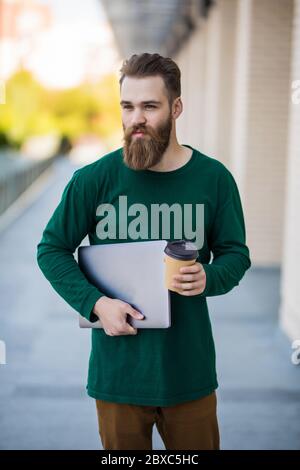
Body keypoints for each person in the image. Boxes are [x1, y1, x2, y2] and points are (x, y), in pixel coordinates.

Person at [36, 52, 251, 450]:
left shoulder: (213, 179)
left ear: (177, 107)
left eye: (150, 106)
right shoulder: (93, 180)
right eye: (128, 106)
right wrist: (96, 304)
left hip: (189, 372)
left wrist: (210, 277)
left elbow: (236, 255)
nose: (137, 118)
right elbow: (52, 249)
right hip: (118, 375)